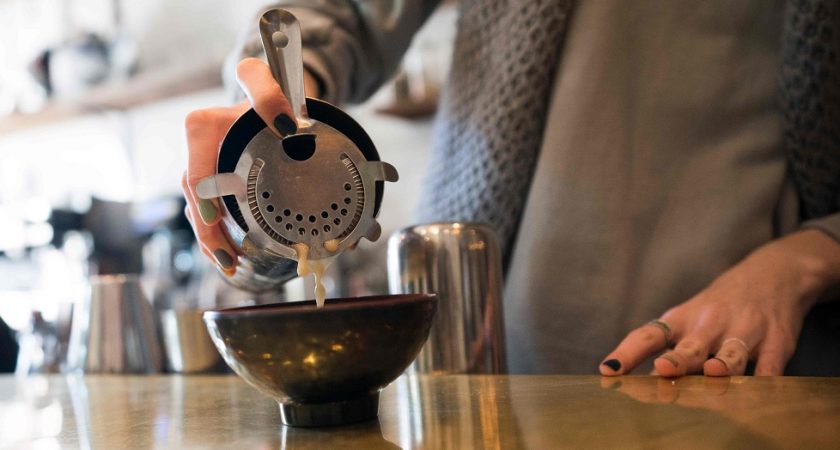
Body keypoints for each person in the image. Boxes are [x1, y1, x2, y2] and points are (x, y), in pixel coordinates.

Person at [182, 0, 840, 376]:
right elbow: (344, 12)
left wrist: (804, 261)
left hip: (739, 366)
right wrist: (275, 95)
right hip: (476, 358)